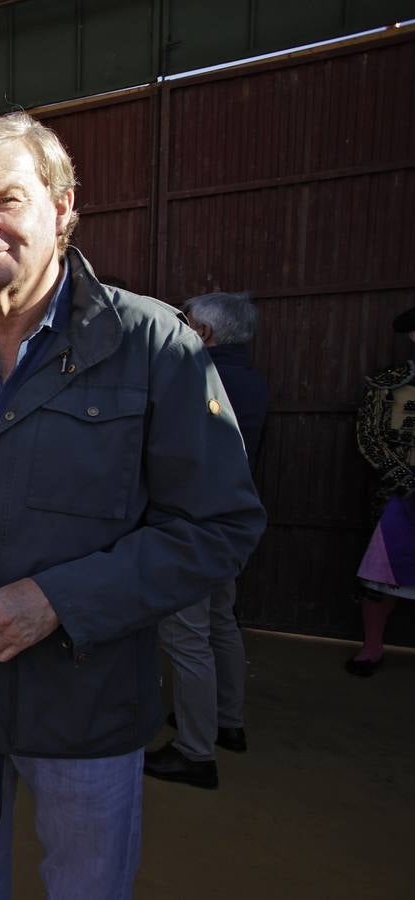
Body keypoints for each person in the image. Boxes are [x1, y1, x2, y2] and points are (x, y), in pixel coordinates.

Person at [0, 111, 266, 899]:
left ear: (62, 205)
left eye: (4, 201)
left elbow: (219, 525)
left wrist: (56, 600)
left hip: (84, 705)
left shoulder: (153, 346)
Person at [144, 291, 269, 788]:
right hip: (229, 525)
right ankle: (226, 722)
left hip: (190, 530)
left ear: (206, 333)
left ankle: (195, 751)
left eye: (189, 322)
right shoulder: (252, 381)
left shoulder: (197, 377)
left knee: (186, 638)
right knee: (220, 624)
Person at [349, 305, 415, 676]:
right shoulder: (387, 381)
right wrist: (403, 478)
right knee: (379, 574)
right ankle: (372, 646)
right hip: (397, 491)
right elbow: (369, 435)